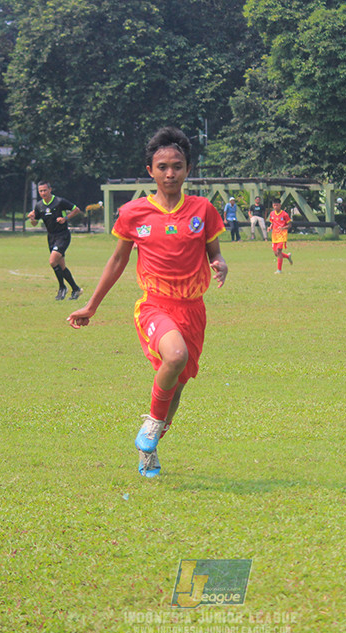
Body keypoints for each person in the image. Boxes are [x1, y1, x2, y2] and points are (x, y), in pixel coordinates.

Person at [67, 127, 227, 478]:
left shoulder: (203, 209)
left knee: (177, 385)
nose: (170, 173)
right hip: (155, 305)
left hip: (193, 310)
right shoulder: (133, 213)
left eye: (178, 166)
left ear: (188, 170)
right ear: (151, 170)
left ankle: (149, 451)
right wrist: (91, 305)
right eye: (163, 166)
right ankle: (152, 425)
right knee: (175, 356)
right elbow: (117, 261)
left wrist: (220, 263)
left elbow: (214, 251)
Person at [28, 182, 83, 300]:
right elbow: (35, 223)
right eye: (40, 191)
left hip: (63, 235)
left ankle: (62, 287)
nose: (43, 193)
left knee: (52, 261)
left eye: (45, 190)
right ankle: (76, 289)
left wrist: (65, 218)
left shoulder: (59, 201)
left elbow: (76, 209)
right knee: (61, 266)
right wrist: (32, 218)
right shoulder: (39, 206)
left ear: (50, 190)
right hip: (51, 237)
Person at [268, 200, 293, 272]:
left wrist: (283, 228)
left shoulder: (284, 214)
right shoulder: (272, 213)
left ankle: (279, 270)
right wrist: (270, 227)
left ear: (280, 205)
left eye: (277, 205)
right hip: (274, 235)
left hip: (282, 235)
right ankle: (287, 256)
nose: (275, 207)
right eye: (274, 205)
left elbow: (290, 225)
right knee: (276, 253)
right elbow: (272, 222)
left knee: (279, 251)